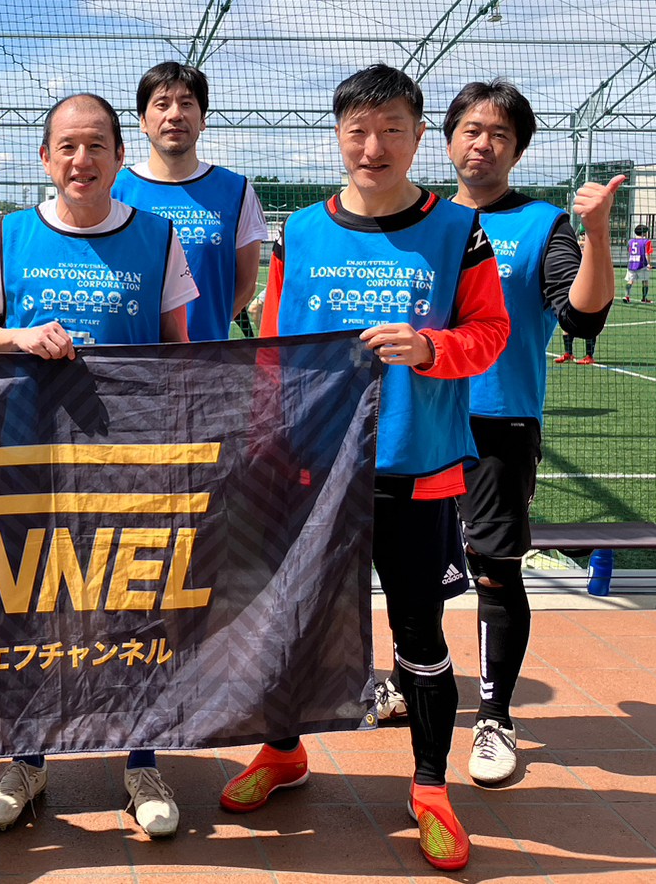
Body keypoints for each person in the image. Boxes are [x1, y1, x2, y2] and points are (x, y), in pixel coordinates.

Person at [219, 65, 509, 873]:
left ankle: (428, 786)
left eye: (390, 130)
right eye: (357, 130)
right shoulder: (302, 231)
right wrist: (267, 443)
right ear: (338, 137)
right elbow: (274, 351)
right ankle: (282, 750)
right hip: (312, 467)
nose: (372, 146)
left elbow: (490, 332)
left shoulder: (458, 230)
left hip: (414, 464)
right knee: (292, 619)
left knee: (417, 629)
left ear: (417, 138)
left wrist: (430, 346)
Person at [0, 93, 198, 839]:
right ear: (45, 157)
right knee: (28, 605)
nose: (81, 159)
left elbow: (180, 350)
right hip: (29, 454)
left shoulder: (157, 236)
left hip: (127, 457)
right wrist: (21, 335)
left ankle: (141, 761)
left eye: (96, 145)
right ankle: (26, 759)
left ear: (119, 157)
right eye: (66, 145)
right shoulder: (10, 234)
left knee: (135, 605)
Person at [419, 80, 617, 786]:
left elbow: (583, 318)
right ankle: (407, 681)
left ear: (518, 150)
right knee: (406, 564)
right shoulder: (422, 219)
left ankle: (494, 716)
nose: (483, 143)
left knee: (495, 568)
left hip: (498, 422)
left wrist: (596, 234)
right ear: (447, 140)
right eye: (471, 130)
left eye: (499, 134)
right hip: (416, 418)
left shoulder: (540, 224)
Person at [111, 61, 268, 339]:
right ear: (143, 121)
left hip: (207, 358)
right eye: (162, 104)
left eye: (186, 104)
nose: (175, 115)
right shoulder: (115, 189)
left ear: (203, 119)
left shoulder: (236, 190)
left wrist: (208, 330)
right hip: (134, 356)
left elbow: (246, 285)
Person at [624, 223, 654, 303]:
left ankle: (626, 296)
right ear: (643, 233)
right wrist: (649, 264)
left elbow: (629, 251)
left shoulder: (630, 241)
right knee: (645, 281)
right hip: (642, 264)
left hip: (632, 264)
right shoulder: (646, 241)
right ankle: (644, 298)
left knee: (630, 281)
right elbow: (648, 253)